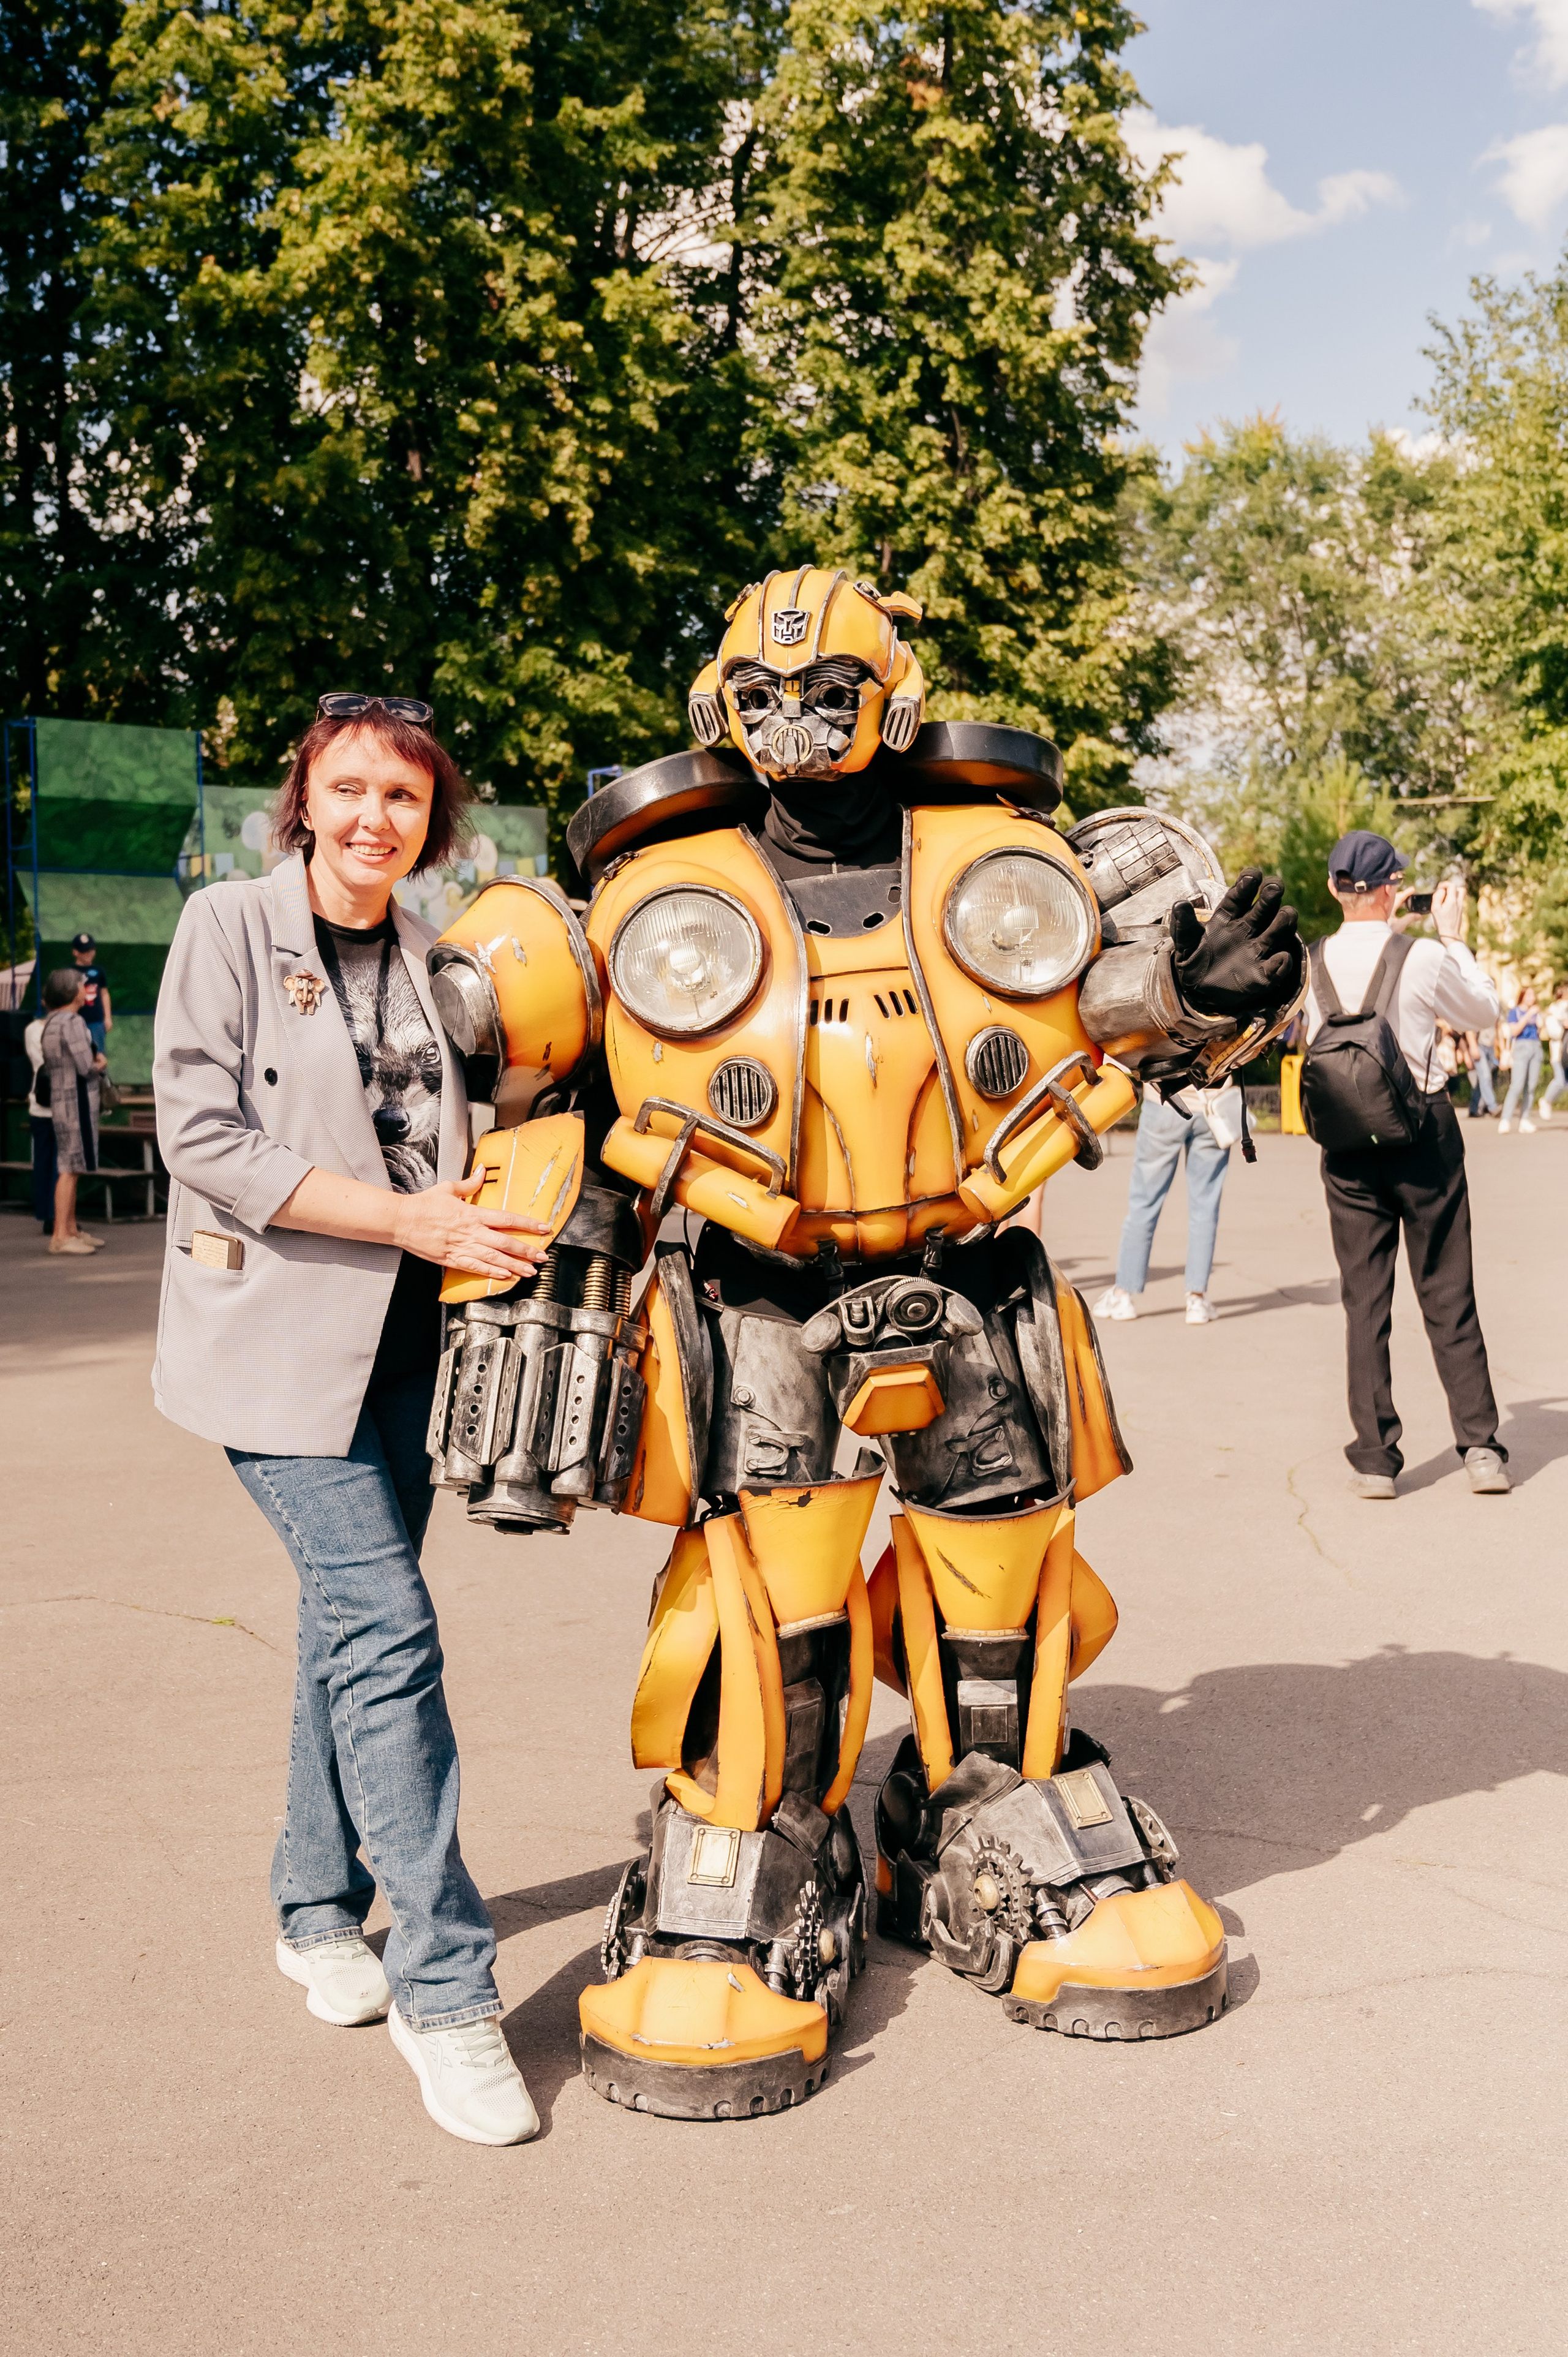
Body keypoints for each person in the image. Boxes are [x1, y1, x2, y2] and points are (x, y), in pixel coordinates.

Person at [152, 693, 553, 2148]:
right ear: (304, 799)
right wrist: (403, 1215)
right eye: (351, 789)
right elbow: (199, 1135)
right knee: (386, 1627)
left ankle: (315, 1905)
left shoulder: (444, 953)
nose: (376, 816)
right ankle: (447, 1991)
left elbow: (495, 1110)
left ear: (430, 819)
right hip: (270, 1349)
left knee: (345, 1627)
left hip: (403, 1350)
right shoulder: (230, 931)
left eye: (403, 796)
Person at [1304, 831, 1508, 1499]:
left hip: (1344, 1146)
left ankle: (1374, 1458)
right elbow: (1484, 1009)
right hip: (1422, 1133)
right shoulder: (1419, 957)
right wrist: (1451, 935)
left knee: (1364, 1301)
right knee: (1447, 1291)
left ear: (1335, 888)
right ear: (1392, 888)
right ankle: (1479, 1446)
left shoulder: (1308, 964)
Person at [1092, 1080, 1241, 1326]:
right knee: (1205, 1206)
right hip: (1213, 1109)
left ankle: (1123, 1295)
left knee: (1144, 1204)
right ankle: (1197, 1299)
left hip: (1165, 1104)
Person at [39, 968, 107, 1256]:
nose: (86, 988)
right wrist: (101, 1063)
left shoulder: (51, 1022)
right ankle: (61, 1235)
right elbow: (86, 1066)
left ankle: (70, 1229)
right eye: (82, 985)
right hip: (77, 1102)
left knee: (71, 1167)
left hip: (60, 1100)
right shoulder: (74, 1022)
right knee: (69, 1169)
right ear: (71, 991)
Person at [24, 1008, 58, 1234]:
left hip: (39, 1103)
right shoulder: (72, 1027)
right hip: (63, 1106)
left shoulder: (32, 1030)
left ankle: (47, 1214)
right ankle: (59, 1217)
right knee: (61, 1166)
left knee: (44, 1163)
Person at [1498, 984, 1543, 1133]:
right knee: (1517, 1085)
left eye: (1533, 995)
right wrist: (1529, 1015)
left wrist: (1540, 1022)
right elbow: (1515, 1031)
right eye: (1529, 995)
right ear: (1523, 996)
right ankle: (1505, 1119)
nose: (1532, 998)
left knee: (1531, 1086)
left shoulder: (1537, 1012)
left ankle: (1525, 1119)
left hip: (1536, 1047)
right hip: (1521, 1048)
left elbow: (1541, 1032)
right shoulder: (1515, 1012)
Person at [70, 931, 111, 1054]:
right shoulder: (69, 972)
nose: (89, 954)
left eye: (91, 950)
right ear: (75, 952)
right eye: (84, 951)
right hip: (75, 1020)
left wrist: (108, 1018)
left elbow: (104, 994)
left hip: (96, 1021)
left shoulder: (99, 971)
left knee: (98, 1053)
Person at [1541, 979, 1568, 1120]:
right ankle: (1546, 1101)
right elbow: (1554, 1033)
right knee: (1560, 1080)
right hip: (1560, 1052)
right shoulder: (1554, 1011)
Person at [1464, 1014, 1499, 1117]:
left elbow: (1497, 1027)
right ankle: (1492, 1107)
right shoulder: (1478, 1002)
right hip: (1479, 1045)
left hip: (1490, 1047)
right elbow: (1469, 1028)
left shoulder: (1496, 1005)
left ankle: (1474, 1108)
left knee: (1483, 1080)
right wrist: (1473, 1046)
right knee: (1485, 1076)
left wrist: (1498, 1046)